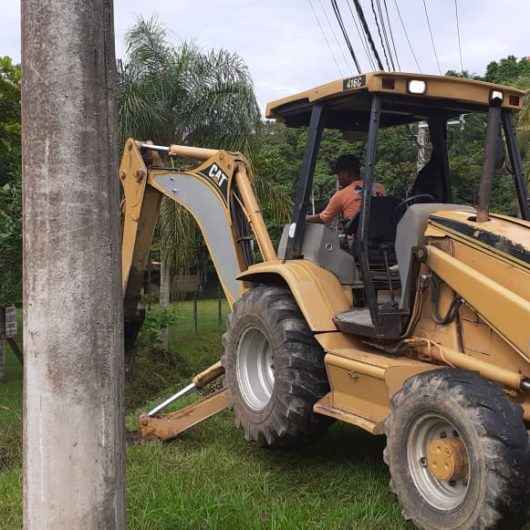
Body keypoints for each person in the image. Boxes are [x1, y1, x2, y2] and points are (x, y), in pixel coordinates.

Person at [306, 154, 384, 225]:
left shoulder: (342, 194)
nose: (338, 177)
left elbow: (324, 218)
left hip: (356, 238)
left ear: (347, 173)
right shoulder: (379, 188)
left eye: (338, 174)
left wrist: (305, 218)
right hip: (386, 237)